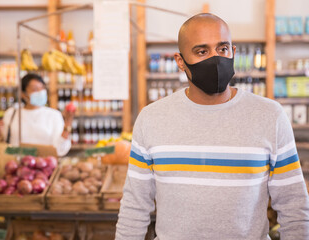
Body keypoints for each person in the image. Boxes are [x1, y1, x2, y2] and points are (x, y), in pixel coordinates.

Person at [116, 13, 309, 240]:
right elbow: (134, 207)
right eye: (202, 51)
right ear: (180, 62)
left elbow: (293, 206)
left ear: (233, 52)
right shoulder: (151, 119)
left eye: (222, 49)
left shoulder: (270, 116)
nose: (216, 59)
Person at [0, 73, 74, 157]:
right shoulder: (11, 114)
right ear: (23, 94)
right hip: (16, 165)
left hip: (45, 166)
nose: (40, 92)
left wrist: (68, 123)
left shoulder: (54, 115)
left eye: (42, 88)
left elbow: (61, 148)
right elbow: (3, 145)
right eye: (35, 89)